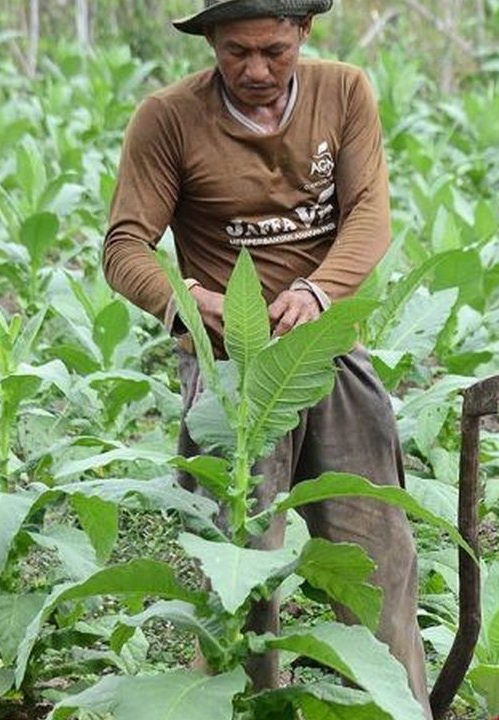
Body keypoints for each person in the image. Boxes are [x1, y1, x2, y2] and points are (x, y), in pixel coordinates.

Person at [101, 1, 432, 715]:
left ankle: (398, 708)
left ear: (304, 34)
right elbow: (124, 245)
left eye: (274, 51)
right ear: (212, 42)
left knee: (376, 555)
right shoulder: (168, 119)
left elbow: (369, 214)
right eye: (236, 52)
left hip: (329, 355)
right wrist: (185, 301)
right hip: (231, 378)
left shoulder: (343, 92)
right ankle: (245, 707)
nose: (256, 69)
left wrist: (319, 292)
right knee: (239, 572)